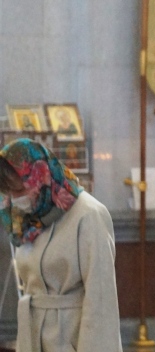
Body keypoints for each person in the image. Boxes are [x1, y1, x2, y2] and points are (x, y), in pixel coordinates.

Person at [0, 139, 122, 352]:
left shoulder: (89, 214)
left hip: (71, 338)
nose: (14, 199)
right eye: (9, 191)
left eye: (19, 189)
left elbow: (101, 299)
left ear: (39, 175)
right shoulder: (26, 220)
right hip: (33, 337)